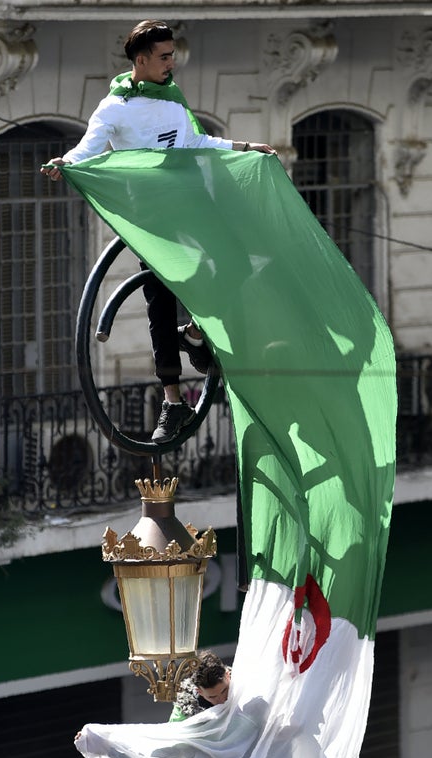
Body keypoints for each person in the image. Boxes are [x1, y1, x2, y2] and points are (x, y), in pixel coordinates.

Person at [41, 19, 275, 444]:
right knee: (160, 301)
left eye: (173, 55)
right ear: (141, 60)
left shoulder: (171, 99)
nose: (172, 64)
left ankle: (196, 333)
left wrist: (243, 147)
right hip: (152, 218)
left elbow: (195, 143)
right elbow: (88, 149)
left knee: (236, 263)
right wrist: (65, 163)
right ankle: (172, 400)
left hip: (189, 205)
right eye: (165, 57)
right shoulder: (114, 108)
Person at [169, 650, 231, 721]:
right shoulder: (182, 714)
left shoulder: (244, 687)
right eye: (212, 697)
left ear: (228, 675)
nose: (222, 700)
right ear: (199, 692)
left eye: (224, 690)